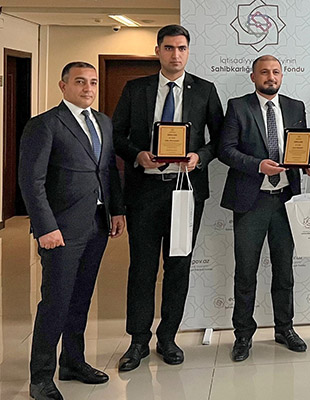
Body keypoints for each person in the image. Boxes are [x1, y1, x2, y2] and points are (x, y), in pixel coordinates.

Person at [112, 24, 224, 371]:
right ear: (158, 50)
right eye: (169, 48)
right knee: (142, 268)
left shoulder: (205, 90)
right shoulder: (136, 89)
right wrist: (137, 155)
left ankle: (168, 337)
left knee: (178, 266)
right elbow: (116, 134)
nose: (176, 54)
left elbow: (220, 139)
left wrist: (199, 157)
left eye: (182, 48)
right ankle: (138, 341)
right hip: (145, 192)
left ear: (188, 51)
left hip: (185, 191)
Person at [19, 61, 125, 400]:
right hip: (60, 229)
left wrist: (117, 210)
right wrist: (45, 227)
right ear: (63, 86)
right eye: (80, 82)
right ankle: (40, 377)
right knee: (56, 302)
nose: (88, 88)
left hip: (97, 223)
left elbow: (107, 171)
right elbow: (31, 182)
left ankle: (73, 362)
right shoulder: (45, 124)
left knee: (81, 298)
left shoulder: (103, 122)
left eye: (93, 82)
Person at [219, 55, 310, 362]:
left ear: (282, 76)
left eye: (276, 72)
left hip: (286, 200)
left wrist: (309, 165)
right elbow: (225, 150)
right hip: (251, 201)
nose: (271, 77)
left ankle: (284, 328)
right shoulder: (238, 106)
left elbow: (301, 147)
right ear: (253, 77)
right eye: (264, 72)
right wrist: (258, 166)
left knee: (284, 270)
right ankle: (243, 335)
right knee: (245, 272)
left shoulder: (295, 107)